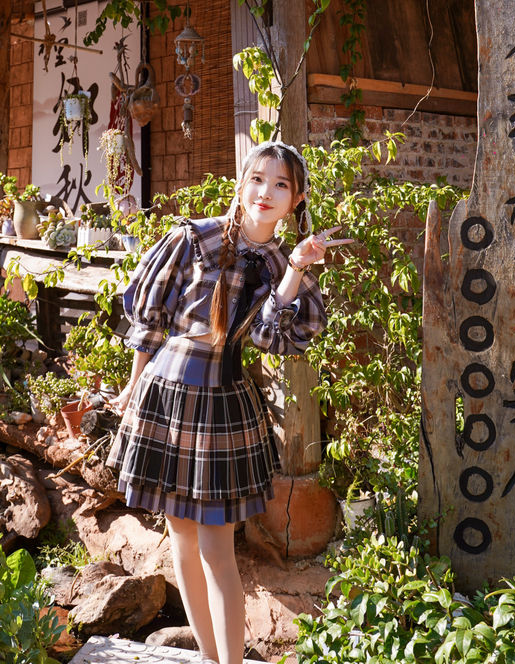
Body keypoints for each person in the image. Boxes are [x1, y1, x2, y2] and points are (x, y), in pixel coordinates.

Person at [106, 142, 349, 664]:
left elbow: (270, 337)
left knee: (219, 550)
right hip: (167, 397)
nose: (266, 192)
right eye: (258, 179)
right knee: (181, 540)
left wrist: (296, 269)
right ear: (240, 182)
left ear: (296, 199)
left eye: (280, 185)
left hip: (223, 404)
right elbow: (149, 321)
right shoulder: (193, 238)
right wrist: (131, 386)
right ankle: (210, 658)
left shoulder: (283, 262)